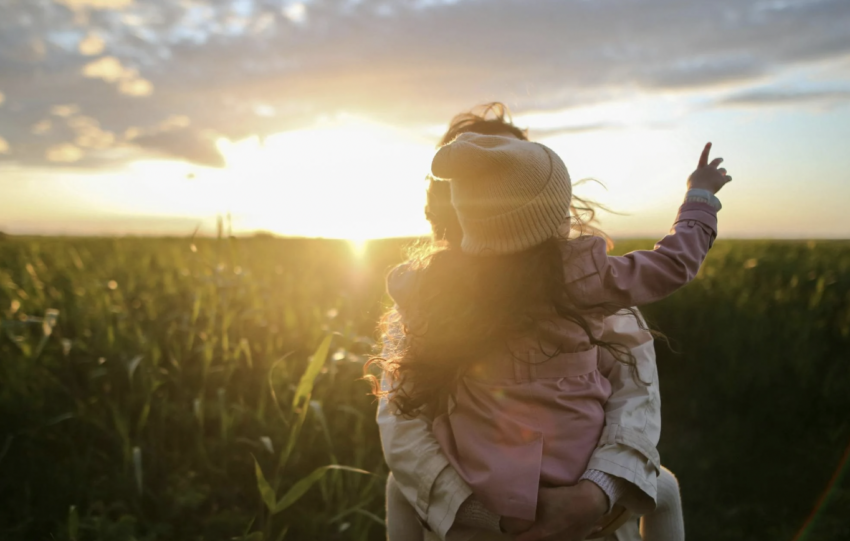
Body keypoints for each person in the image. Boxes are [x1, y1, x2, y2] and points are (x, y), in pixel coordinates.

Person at [372, 104, 725, 540]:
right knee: (664, 486)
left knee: (398, 487)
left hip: (504, 489)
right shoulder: (589, 280)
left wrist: (589, 497)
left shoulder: (434, 291)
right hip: (558, 486)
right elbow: (673, 264)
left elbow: (636, 396)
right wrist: (700, 200)